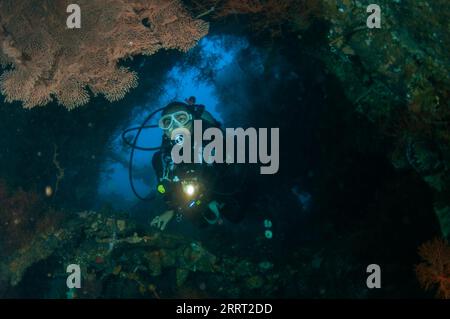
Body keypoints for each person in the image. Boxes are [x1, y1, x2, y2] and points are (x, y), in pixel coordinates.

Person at [150, 99, 244, 231]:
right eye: (168, 122)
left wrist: (211, 196)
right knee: (199, 223)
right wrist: (172, 209)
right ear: (165, 131)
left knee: (238, 215)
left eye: (180, 118)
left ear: (192, 119)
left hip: (225, 194)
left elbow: (235, 172)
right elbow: (165, 189)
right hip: (196, 203)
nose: (175, 126)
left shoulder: (214, 140)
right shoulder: (161, 160)